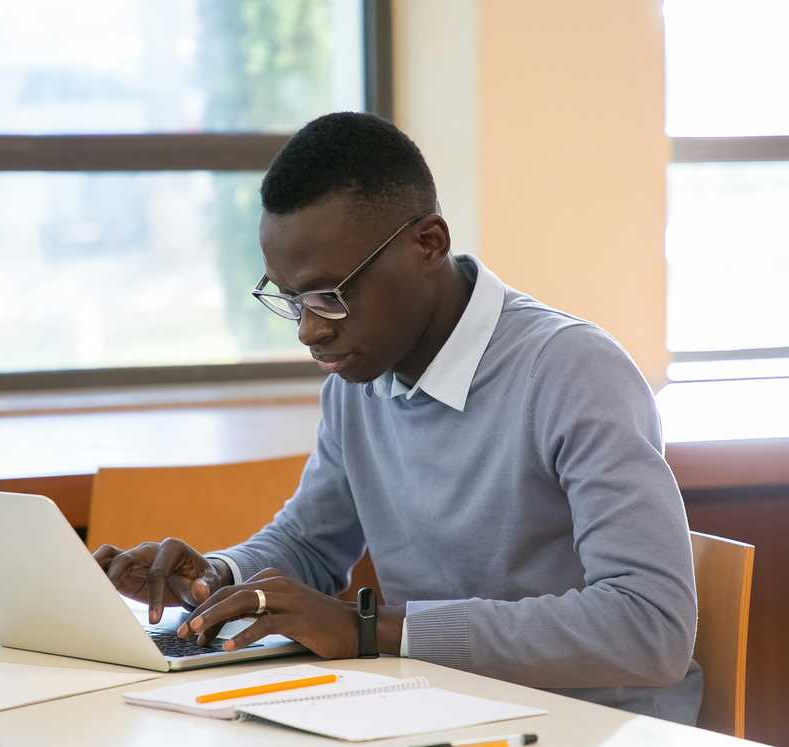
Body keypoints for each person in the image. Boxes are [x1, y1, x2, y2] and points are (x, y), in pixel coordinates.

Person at [94, 112, 702, 723]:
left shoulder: (573, 372)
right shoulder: (360, 372)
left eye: (330, 294)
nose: (309, 330)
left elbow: (649, 626)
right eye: (290, 299)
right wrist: (215, 578)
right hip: (440, 711)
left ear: (428, 244)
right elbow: (310, 542)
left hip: (591, 724)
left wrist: (371, 629)